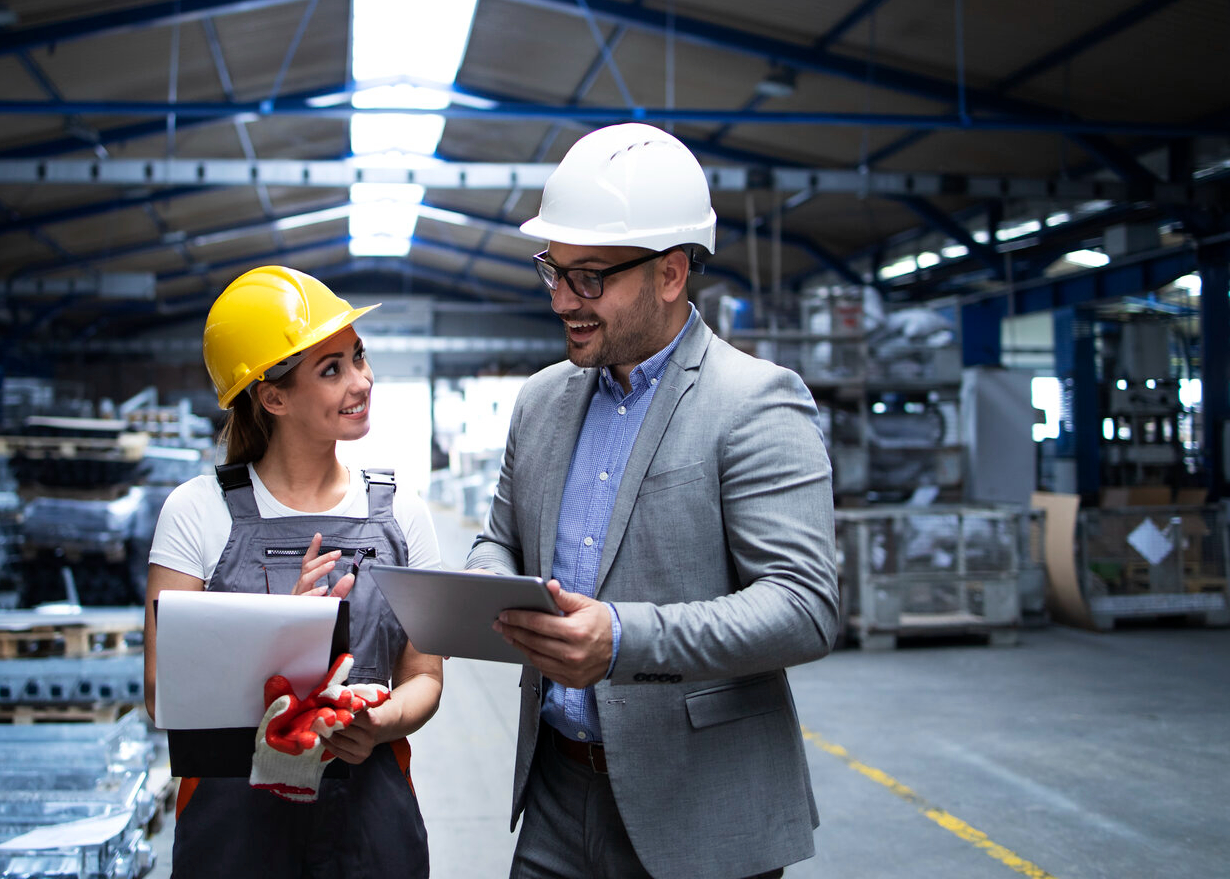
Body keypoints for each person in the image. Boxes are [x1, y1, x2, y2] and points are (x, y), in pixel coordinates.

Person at [465, 123, 839, 879]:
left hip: (698, 808)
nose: (564, 300)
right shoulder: (541, 402)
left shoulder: (755, 403)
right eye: (554, 272)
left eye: (591, 278)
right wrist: (485, 586)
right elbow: (499, 536)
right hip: (555, 797)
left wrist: (625, 641)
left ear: (671, 274)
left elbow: (804, 606)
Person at [143, 265, 443, 878]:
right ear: (272, 396)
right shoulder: (197, 512)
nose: (361, 382)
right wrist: (284, 633)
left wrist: (381, 721)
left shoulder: (401, 514)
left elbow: (426, 677)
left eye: (358, 357)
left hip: (370, 818)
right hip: (236, 829)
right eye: (330, 370)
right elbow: (159, 695)